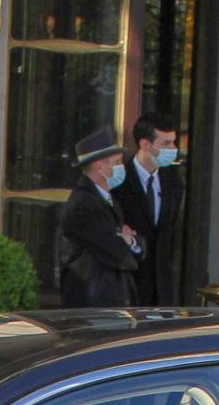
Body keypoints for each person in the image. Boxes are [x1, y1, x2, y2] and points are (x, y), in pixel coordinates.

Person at [54, 126, 141, 307]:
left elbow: (136, 247)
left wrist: (131, 241)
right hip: (92, 305)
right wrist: (126, 241)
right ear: (100, 167)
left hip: (107, 303)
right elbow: (117, 253)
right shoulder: (84, 204)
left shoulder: (106, 200)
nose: (121, 167)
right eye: (117, 162)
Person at [110, 113, 183, 305]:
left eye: (174, 143)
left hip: (161, 292)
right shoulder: (118, 182)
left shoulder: (174, 184)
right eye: (166, 144)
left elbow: (169, 236)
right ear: (145, 145)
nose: (173, 149)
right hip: (128, 288)